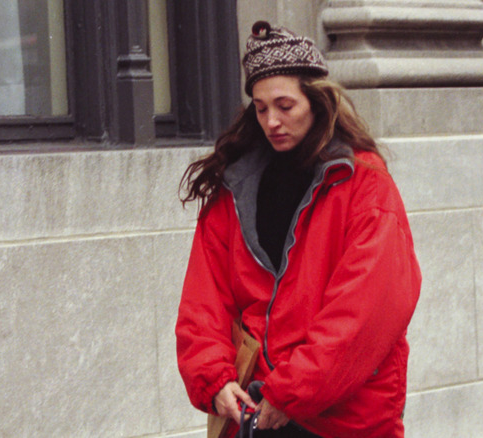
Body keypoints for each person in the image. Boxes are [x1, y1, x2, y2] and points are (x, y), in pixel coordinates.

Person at [176, 21, 421, 438]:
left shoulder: (365, 185)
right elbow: (205, 300)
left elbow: (362, 315)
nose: (271, 120)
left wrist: (290, 392)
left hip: (342, 417)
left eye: (284, 106)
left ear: (317, 100)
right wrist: (214, 380)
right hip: (254, 408)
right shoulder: (233, 190)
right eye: (260, 107)